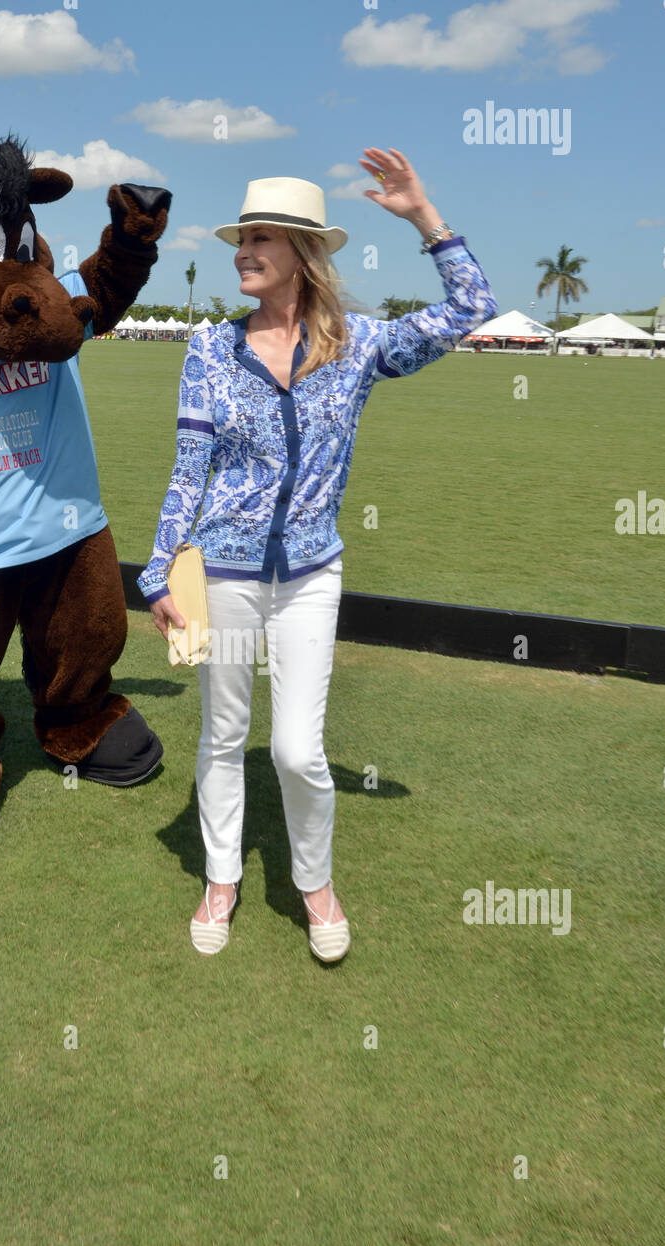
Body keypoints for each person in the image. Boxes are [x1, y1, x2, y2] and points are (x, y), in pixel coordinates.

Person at [137, 147, 498, 961]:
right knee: (224, 735)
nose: (244, 251)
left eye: (263, 238)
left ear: (304, 255)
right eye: (242, 236)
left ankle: (315, 883)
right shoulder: (208, 349)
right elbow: (189, 465)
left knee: (299, 749)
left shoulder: (360, 346)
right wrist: (160, 569)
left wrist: (421, 215)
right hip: (220, 574)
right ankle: (221, 880)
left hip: (309, 575)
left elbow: (473, 304)